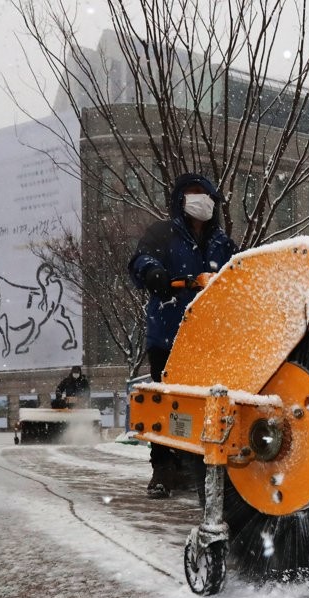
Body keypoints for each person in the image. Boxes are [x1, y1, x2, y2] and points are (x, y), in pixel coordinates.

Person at [128, 173, 237, 498]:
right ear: (179, 200)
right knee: (167, 403)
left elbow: (240, 275)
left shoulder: (223, 244)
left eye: (204, 194)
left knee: (207, 405)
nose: (199, 200)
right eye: (192, 193)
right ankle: (162, 467)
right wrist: (153, 271)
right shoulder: (162, 234)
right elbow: (139, 260)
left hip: (210, 339)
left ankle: (200, 464)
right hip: (168, 334)